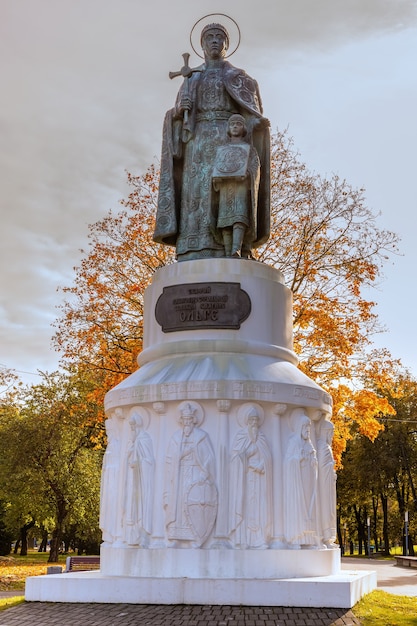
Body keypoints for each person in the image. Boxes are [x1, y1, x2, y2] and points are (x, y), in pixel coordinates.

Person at [154, 23, 270, 260]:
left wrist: (250, 126)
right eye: (210, 37)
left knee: (230, 196)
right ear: (202, 45)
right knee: (196, 194)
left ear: (227, 44)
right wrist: (178, 112)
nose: (215, 41)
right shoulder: (191, 77)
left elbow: (252, 116)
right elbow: (177, 117)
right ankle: (194, 247)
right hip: (196, 144)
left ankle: (233, 247)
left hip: (229, 145)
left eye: (220, 37)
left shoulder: (239, 78)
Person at [164, 402, 217, 547]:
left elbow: (209, 458)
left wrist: (205, 474)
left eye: (189, 420)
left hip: (195, 474)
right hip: (179, 475)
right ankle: (175, 536)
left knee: (194, 503)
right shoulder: (176, 437)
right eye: (184, 420)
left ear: (193, 420)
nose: (187, 423)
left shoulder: (201, 437)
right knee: (179, 504)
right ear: (181, 421)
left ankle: (196, 536)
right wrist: (179, 457)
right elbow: (169, 458)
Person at [212, 114, 261, 257]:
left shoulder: (248, 148)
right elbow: (217, 166)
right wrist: (216, 178)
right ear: (228, 128)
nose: (234, 126)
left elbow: (255, 165)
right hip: (225, 187)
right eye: (232, 124)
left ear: (243, 128)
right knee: (225, 220)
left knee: (239, 217)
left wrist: (248, 174)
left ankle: (236, 249)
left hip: (240, 186)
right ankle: (228, 253)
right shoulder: (222, 149)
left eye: (238, 124)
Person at [229, 404, 272, 548]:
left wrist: (261, 465)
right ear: (247, 421)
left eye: (256, 420)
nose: (254, 423)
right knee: (246, 506)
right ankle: (243, 539)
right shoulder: (241, 436)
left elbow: (267, 457)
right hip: (245, 479)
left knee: (259, 507)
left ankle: (258, 539)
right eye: (251, 420)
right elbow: (235, 457)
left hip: (259, 479)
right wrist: (247, 455)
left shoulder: (261, 437)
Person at [283, 408, 319, 548]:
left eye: (309, 427)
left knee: (310, 505)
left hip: (308, 479)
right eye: (305, 427)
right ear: (299, 427)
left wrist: (313, 461)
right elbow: (288, 461)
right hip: (297, 481)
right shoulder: (294, 442)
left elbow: (314, 461)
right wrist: (298, 459)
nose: (307, 430)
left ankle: (309, 538)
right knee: (300, 505)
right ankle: (297, 537)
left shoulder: (309, 444)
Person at [122, 410, 155, 546]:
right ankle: (131, 535)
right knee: (131, 506)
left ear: (138, 426)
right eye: (130, 427)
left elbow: (150, 461)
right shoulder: (132, 441)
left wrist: (139, 462)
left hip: (141, 480)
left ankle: (143, 534)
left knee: (140, 507)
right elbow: (126, 457)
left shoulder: (144, 439)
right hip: (132, 480)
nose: (131, 429)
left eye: (133, 427)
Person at [317, 418, 337, 548]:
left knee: (330, 511)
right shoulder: (322, 447)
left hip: (329, 484)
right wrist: (330, 467)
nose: (331, 437)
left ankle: (329, 538)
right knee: (326, 510)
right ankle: (325, 536)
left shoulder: (326, 447)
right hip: (324, 486)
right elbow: (322, 468)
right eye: (330, 433)